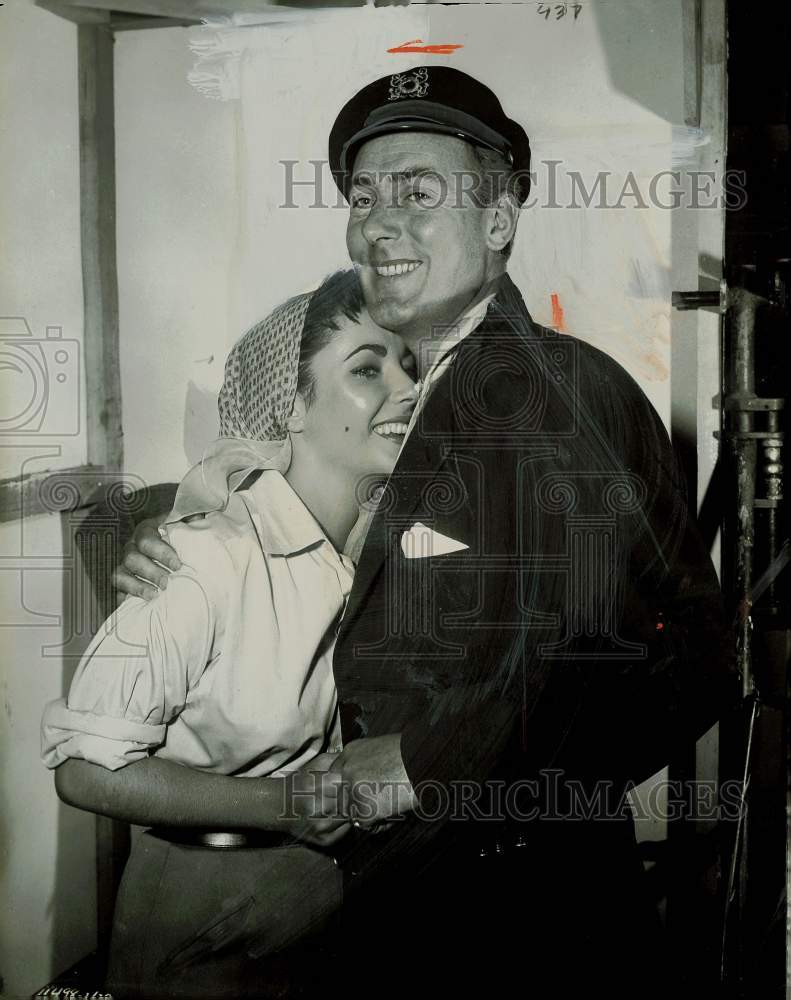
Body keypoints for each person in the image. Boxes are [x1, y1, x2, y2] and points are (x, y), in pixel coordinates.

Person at [115, 68, 737, 997]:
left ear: (498, 222)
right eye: (363, 198)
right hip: (392, 894)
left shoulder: (550, 391)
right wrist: (172, 544)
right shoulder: (394, 388)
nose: (377, 223)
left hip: (509, 919)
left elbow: (640, 660)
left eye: (417, 192)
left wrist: (403, 786)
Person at [41, 270, 419, 999]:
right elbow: (82, 769)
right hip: (203, 926)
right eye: (367, 368)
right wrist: (288, 804)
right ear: (290, 408)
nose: (405, 387)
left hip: (324, 907)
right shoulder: (200, 558)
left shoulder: (383, 547)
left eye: (409, 365)